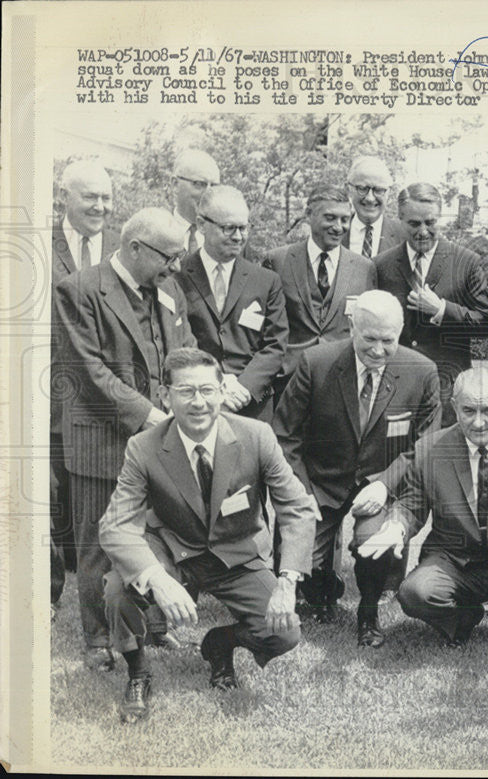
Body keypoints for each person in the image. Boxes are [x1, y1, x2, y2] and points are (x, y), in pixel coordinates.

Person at [99, 348, 317, 723]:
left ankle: (220, 643)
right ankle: (138, 671)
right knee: (119, 587)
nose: (198, 402)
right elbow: (115, 525)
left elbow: (297, 507)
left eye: (207, 390)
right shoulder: (144, 447)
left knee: (285, 634)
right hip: (171, 550)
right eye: (186, 392)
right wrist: (156, 580)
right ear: (165, 396)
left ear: (222, 391)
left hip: (236, 552)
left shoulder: (256, 436)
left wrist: (287, 580)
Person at [359, 368, 488, 682]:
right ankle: (464, 617)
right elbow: (412, 504)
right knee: (415, 593)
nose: (478, 422)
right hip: (456, 561)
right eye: (468, 411)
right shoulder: (429, 449)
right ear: (454, 407)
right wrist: (396, 527)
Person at [54, 208, 196, 670]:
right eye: (168, 257)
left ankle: (151, 627)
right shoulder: (79, 290)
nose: (175, 267)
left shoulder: (169, 289)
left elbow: (183, 350)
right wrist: (152, 416)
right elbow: (89, 372)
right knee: (100, 542)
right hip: (103, 440)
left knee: (151, 535)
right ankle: (98, 639)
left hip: (159, 435)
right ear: (135, 247)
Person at [273, 290, 441, 644]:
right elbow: (285, 434)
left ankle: (368, 612)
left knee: (373, 543)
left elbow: (425, 444)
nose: (378, 351)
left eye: (388, 341)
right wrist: (301, 493)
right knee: (300, 554)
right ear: (352, 328)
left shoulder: (422, 372)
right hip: (321, 480)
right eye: (369, 340)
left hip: (382, 481)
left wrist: (385, 484)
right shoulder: (315, 362)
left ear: (400, 332)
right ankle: (322, 593)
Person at [375, 182, 488, 425]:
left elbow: (485, 324)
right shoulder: (382, 265)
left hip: (446, 388)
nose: (423, 231)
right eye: (414, 224)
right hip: (395, 386)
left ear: (441, 218)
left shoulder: (467, 262)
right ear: (400, 219)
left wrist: (442, 310)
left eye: (430, 222)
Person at [51, 159, 118, 583]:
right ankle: (50, 591)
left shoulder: (122, 247)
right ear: (63, 197)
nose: (100, 206)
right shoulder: (39, 244)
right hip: (51, 392)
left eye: (106, 197)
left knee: (100, 501)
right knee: (51, 494)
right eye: (90, 196)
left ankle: (109, 583)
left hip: (104, 395)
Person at [178, 185, 288, 422]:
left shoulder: (266, 281)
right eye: (229, 228)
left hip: (251, 407)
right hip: (198, 403)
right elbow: (178, 339)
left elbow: (275, 345)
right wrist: (214, 382)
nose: (238, 237)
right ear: (201, 224)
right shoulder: (177, 278)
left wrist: (245, 388)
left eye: (243, 227)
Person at [264, 184, 376, 391]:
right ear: (309, 215)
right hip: (288, 381)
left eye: (345, 219)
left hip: (340, 381)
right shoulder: (278, 261)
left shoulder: (365, 268)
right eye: (330, 218)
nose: (339, 227)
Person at [341, 155, 408, 257]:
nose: (370, 198)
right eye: (362, 188)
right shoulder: (335, 232)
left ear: (388, 192)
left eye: (379, 190)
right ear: (348, 189)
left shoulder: (405, 236)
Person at [170, 149, 221, 255]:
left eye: (214, 186)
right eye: (199, 184)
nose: (208, 194)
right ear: (175, 185)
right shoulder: (152, 234)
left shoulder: (229, 241)